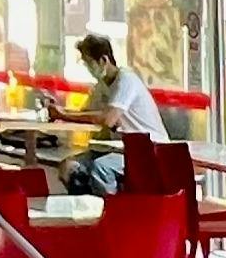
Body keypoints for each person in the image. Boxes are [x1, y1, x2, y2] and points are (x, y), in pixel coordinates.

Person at [57, 32, 164, 195]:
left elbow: (108, 119)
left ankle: (112, 212)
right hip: (117, 148)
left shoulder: (126, 80)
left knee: (102, 168)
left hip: (147, 150)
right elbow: (87, 114)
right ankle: (86, 207)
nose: (88, 68)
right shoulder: (101, 86)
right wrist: (61, 110)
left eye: (89, 63)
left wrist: (63, 115)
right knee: (68, 167)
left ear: (104, 60)